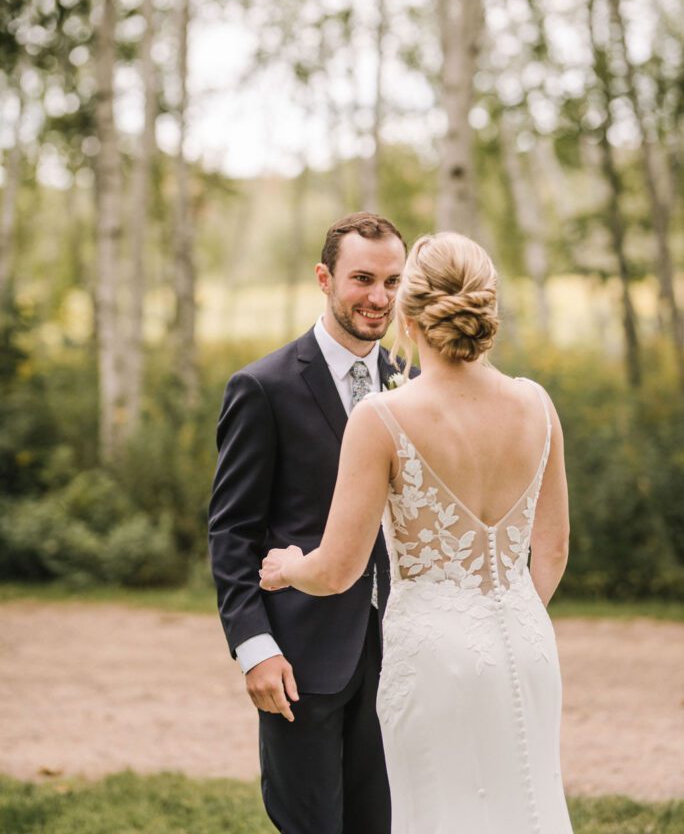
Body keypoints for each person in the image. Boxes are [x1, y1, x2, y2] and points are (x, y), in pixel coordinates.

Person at [261, 231, 574, 834]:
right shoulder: (537, 404)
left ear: (408, 315)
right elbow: (553, 549)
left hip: (433, 656)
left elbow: (338, 569)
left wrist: (286, 567)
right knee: (525, 807)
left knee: (437, 813)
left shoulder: (382, 415)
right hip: (527, 643)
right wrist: (503, 613)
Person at [208, 212, 418, 834]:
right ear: (324, 279)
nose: (379, 297)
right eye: (362, 279)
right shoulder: (263, 387)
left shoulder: (413, 385)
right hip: (300, 658)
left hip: (401, 655)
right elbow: (232, 532)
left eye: (393, 281)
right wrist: (255, 649)